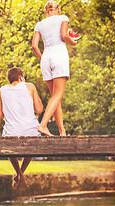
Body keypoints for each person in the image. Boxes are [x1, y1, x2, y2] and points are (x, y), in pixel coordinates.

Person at [32, 0, 78, 136]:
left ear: (46, 12)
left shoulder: (39, 24)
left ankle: (62, 131)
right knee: (58, 95)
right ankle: (43, 125)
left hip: (46, 56)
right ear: (57, 10)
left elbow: (34, 46)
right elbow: (64, 35)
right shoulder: (63, 18)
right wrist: (73, 42)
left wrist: (43, 59)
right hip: (58, 54)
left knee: (54, 96)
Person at [0, 67, 43, 188]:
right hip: (31, 131)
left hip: (11, 133)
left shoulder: (2, 90)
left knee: (9, 141)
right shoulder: (30, 86)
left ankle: (19, 173)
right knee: (33, 140)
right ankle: (21, 173)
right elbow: (39, 109)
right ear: (21, 77)